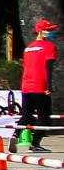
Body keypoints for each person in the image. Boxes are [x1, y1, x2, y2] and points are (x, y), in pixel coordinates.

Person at [20, 20, 56, 151]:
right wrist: (49, 86)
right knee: (44, 117)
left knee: (27, 115)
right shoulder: (49, 47)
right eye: (48, 30)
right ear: (40, 31)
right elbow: (48, 68)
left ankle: (15, 135)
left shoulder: (28, 48)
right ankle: (35, 144)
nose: (51, 33)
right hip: (40, 86)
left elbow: (25, 67)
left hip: (26, 86)